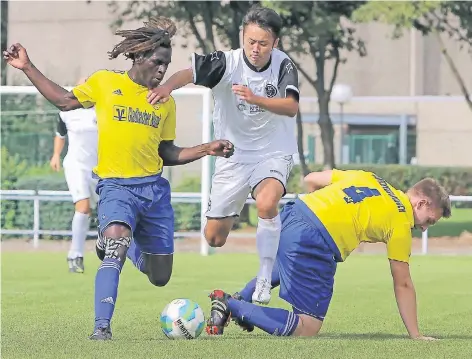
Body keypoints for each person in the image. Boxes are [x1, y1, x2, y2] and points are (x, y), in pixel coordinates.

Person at [3, 16, 234, 340]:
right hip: (115, 187)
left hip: (153, 191)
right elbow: (64, 100)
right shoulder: (105, 82)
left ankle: (120, 243)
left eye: (166, 65)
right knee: (115, 248)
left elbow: (167, 153)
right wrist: (27, 66)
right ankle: (102, 328)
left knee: (160, 276)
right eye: (157, 62)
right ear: (139, 57)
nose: (162, 71)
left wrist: (207, 148)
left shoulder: (164, 102)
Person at [147, 5, 300, 305]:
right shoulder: (226, 63)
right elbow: (188, 73)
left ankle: (264, 279)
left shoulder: (283, 65)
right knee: (214, 237)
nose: (256, 49)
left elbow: (291, 106)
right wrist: (167, 87)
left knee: (268, 203)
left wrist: (257, 98)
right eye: (251, 41)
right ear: (243, 36)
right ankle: (234, 209)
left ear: (276, 43)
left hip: (273, 151)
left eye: (263, 43)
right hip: (234, 157)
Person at [205, 169, 451, 340]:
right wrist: (415, 335)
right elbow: (403, 283)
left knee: (289, 262)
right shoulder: (401, 220)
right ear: (420, 204)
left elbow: (311, 179)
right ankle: (231, 306)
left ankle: (241, 297)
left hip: (295, 213)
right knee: (308, 326)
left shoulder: (369, 178)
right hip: (315, 239)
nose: (425, 227)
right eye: (429, 220)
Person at [49, 83, 98, 273]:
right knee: (83, 207)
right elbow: (60, 134)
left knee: (98, 212)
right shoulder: (66, 112)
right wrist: (55, 155)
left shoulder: (101, 110)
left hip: (98, 168)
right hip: (76, 165)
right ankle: (75, 255)